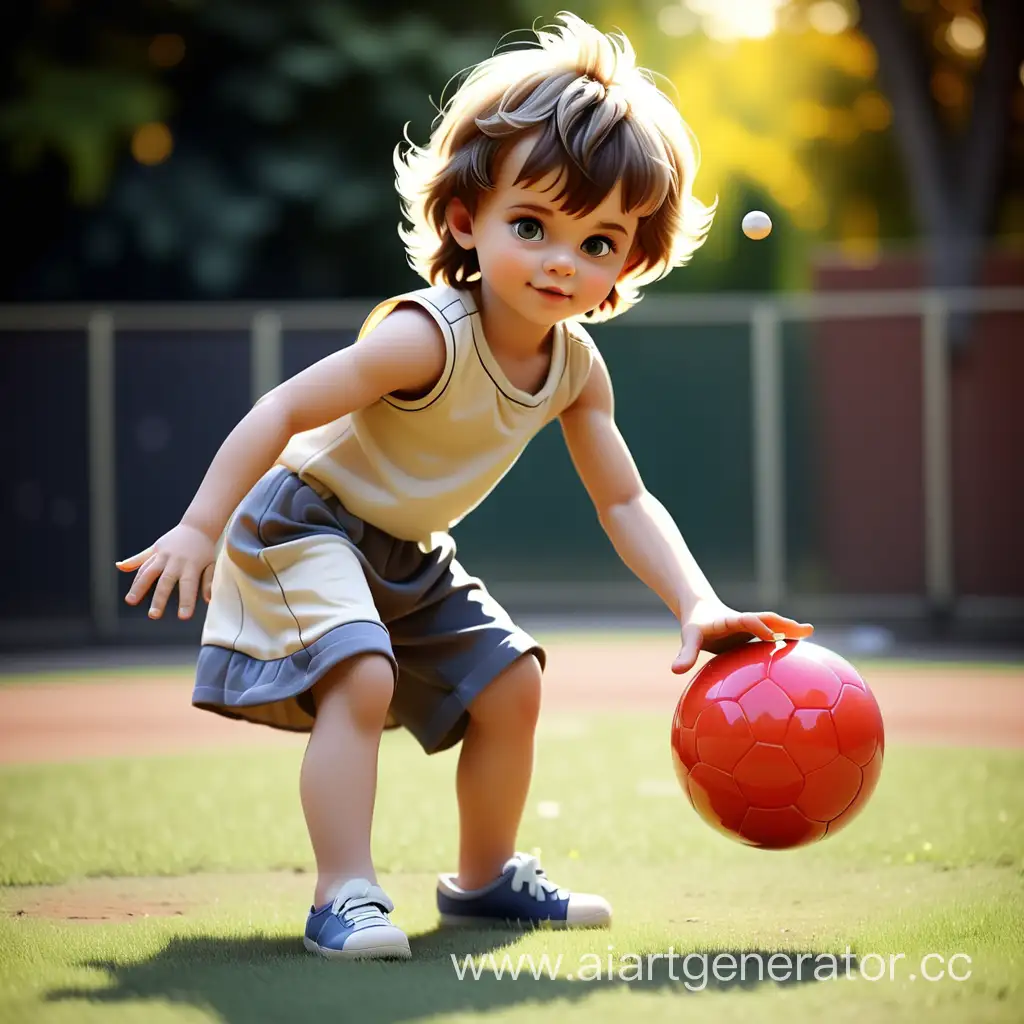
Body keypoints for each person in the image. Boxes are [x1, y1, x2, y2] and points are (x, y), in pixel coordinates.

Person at [116, 11, 813, 961]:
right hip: (301, 524)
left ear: (631, 260)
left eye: (600, 241)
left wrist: (698, 604)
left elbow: (624, 500)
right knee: (362, 674)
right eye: (532, 225)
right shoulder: (424, 337)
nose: (563, 259)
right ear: (463, 220)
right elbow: (282, 409)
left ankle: (482, 883)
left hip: (407, 549)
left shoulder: (574, 368)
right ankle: (343, 897)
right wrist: (201, 524)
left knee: (512, 684)